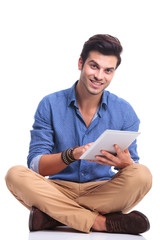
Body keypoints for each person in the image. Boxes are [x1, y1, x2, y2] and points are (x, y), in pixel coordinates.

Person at [5, 34, 152, 235]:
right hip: (57, 189)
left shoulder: (125, 111)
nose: (99, 76)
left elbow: (132, 171)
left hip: (102, 190)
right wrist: (71, 154)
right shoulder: (50, 104)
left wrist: (126, 165)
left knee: (142, 174)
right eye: (94, 66)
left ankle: (53, 215)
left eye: (108, 70)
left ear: (113, 73)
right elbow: (36, 165)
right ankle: (100, 222)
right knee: (15, 174)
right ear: (81, 63)